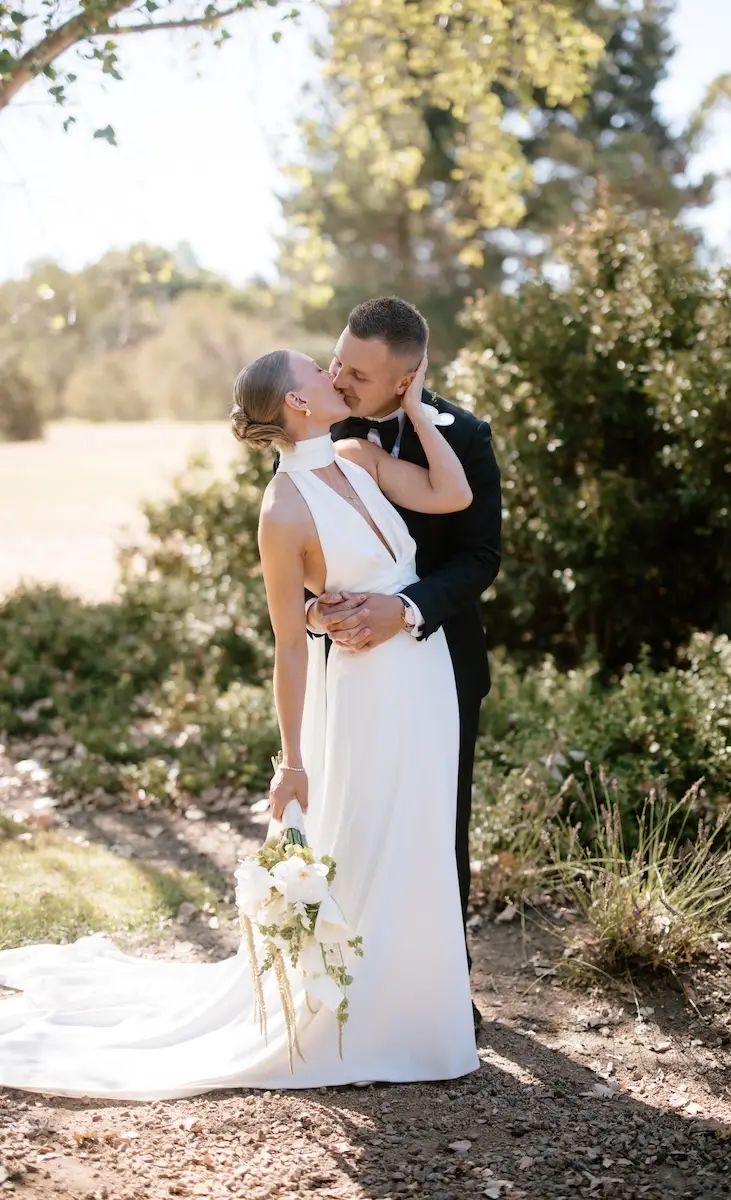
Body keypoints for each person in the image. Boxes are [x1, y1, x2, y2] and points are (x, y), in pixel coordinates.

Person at [0, 343, 480, 1099]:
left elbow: (452, 497)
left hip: (424, 674)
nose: (331, 371)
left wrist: (417, 412)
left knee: (416, 833)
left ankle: (422, 1014)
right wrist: (293, 760)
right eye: (315, 371)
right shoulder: (283, 510)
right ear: (296, 404)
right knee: (367, 838)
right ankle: (368, 1022)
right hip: (358, 691)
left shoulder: (357, 454)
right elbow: (291, 643)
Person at [309, 298, 502, 1032]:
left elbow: (481, 554)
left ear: (407, 378)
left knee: (436, 824)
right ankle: (342, 979)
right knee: (353, 815)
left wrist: (409, 609)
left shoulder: (465, 437)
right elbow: (291, 546)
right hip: (351, 668)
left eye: (358, 372)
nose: (339, 377)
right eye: (337, 360)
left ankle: (442, 991)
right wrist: (311, 613)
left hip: (442, 662)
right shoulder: (323, 424)